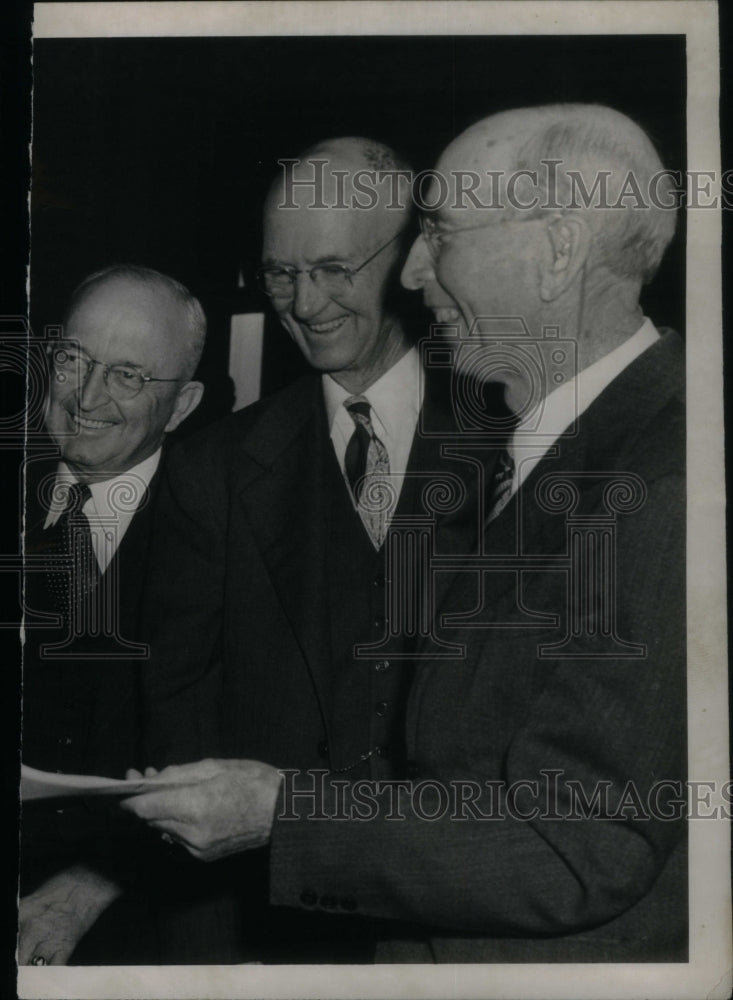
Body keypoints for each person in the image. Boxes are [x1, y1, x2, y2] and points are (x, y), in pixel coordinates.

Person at [126, 106, 685, 963]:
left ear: (559, 248)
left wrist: (286, 814)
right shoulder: (561, 448)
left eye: (440, 234)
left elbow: (579, 844)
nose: (416, 270)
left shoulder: (662, 480)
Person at [19, 264, 206, 965]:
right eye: (74, 359)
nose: (87, 398)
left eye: (128, 376)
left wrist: (98, 882)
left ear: (182, 406)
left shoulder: (230, 535)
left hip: (145, 929)